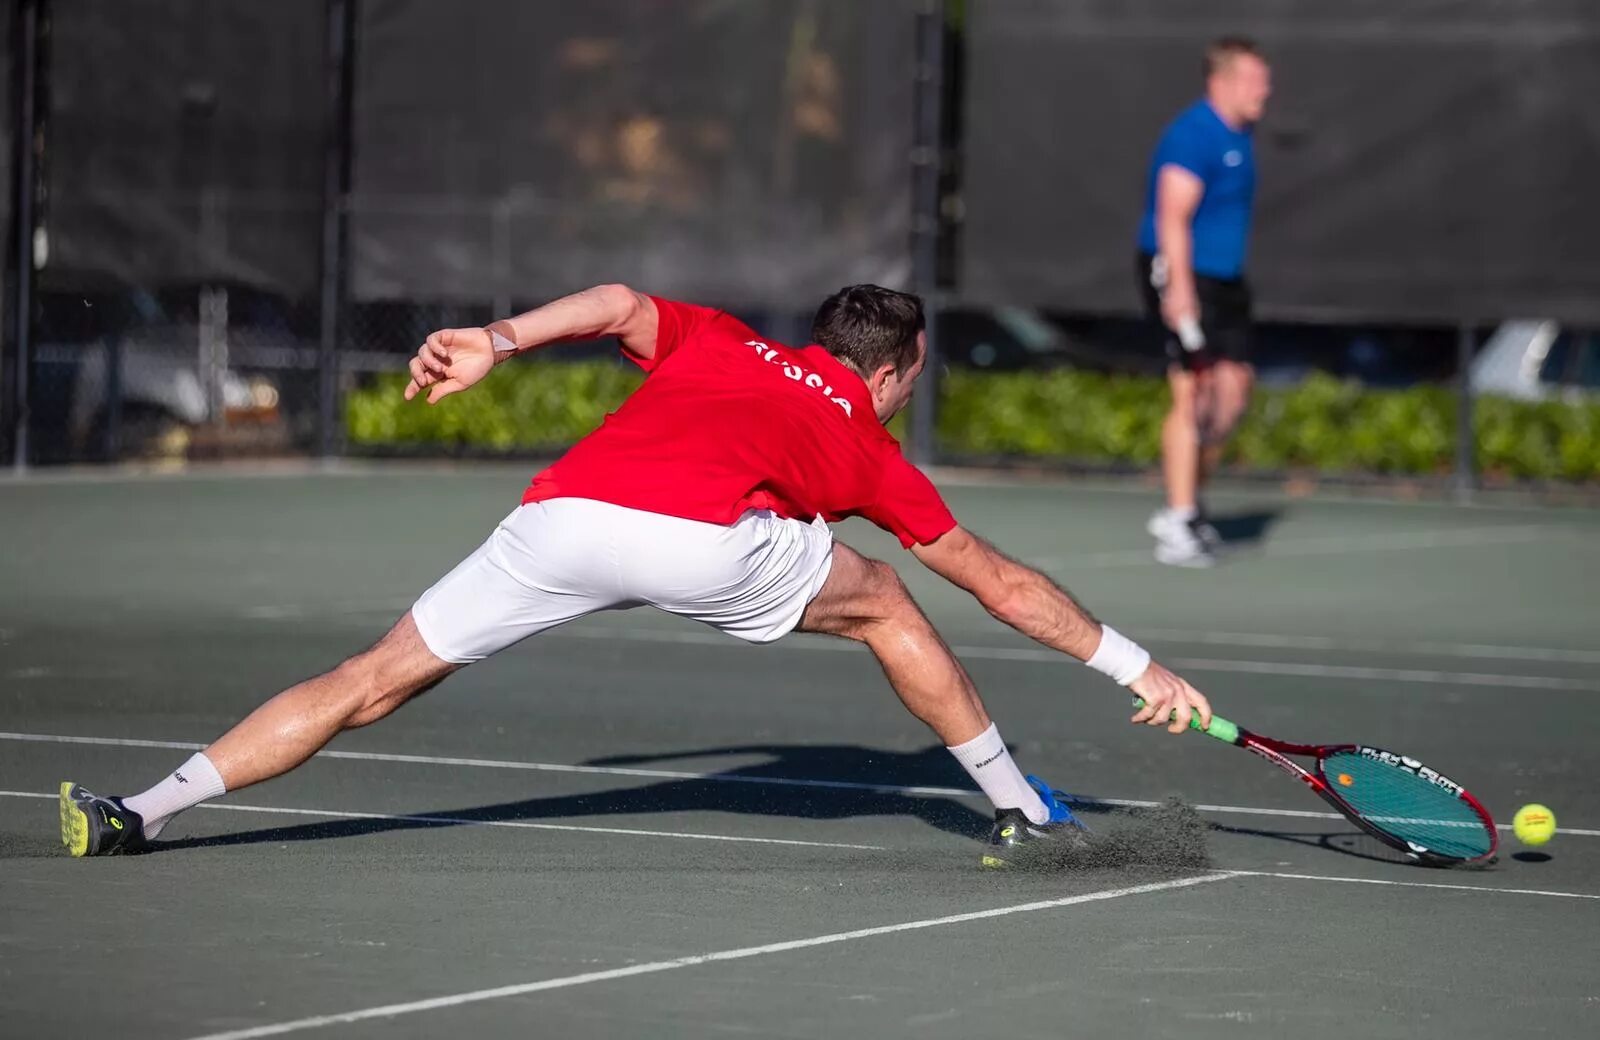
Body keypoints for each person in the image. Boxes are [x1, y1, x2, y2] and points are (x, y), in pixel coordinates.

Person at [60, 284, 1211, 868]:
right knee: (888, 600)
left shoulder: (722, 339)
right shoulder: (867, 440)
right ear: (897, 368)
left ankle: (138, 810)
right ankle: (1019, 809)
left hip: (560, 515)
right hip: (697, 538)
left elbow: (614, 301)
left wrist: (496, 341)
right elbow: (1001, 586)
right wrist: (1138, 662)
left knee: (372, 676)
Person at [1137, 37, 1273, 566]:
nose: (1265, 90)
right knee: (1192, 389)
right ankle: (1179, 519)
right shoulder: (1193, 136)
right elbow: (1171, 214)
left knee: (1232, 391)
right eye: (1253, 80)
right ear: (1220, 82)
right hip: (1183, 274)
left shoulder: (1241, 132)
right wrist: (1180, 292)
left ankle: (1187, 500)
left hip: (1226, 280)